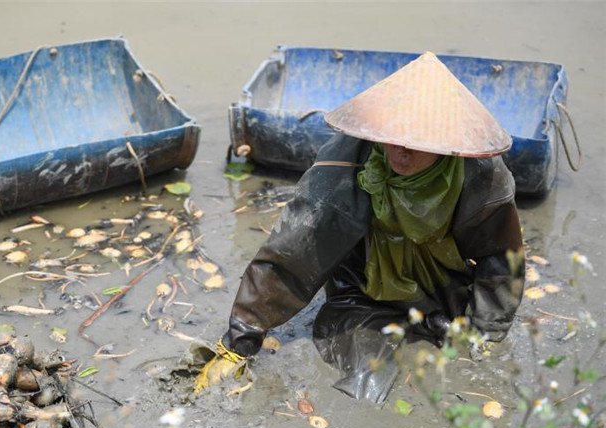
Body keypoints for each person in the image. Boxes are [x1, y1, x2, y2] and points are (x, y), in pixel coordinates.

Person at [195, 52, 525, 402]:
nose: (399, 153)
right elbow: (293, 253)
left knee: (458, 362)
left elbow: (501, 260)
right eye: (390, 138)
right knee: (368, 381)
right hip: (363, 292)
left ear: (444, 145)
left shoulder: (480, 176)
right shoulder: (345, 163)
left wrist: (485, 333)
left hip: (444, 292)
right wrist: (240, 340)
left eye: (414, 144)